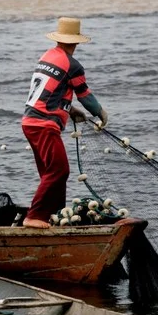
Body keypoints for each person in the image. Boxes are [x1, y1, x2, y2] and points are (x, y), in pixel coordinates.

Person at [21, 17, 108, 229]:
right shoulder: (72, 65)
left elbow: (51, 91)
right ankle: (33, 217)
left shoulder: (47, 56)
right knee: (59, 171)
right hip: (45, 125)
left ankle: (55, 213)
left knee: (50, 173)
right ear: (76, 42)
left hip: (30, 121)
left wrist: (70, 111)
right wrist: (101, 113)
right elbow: (84, 95)